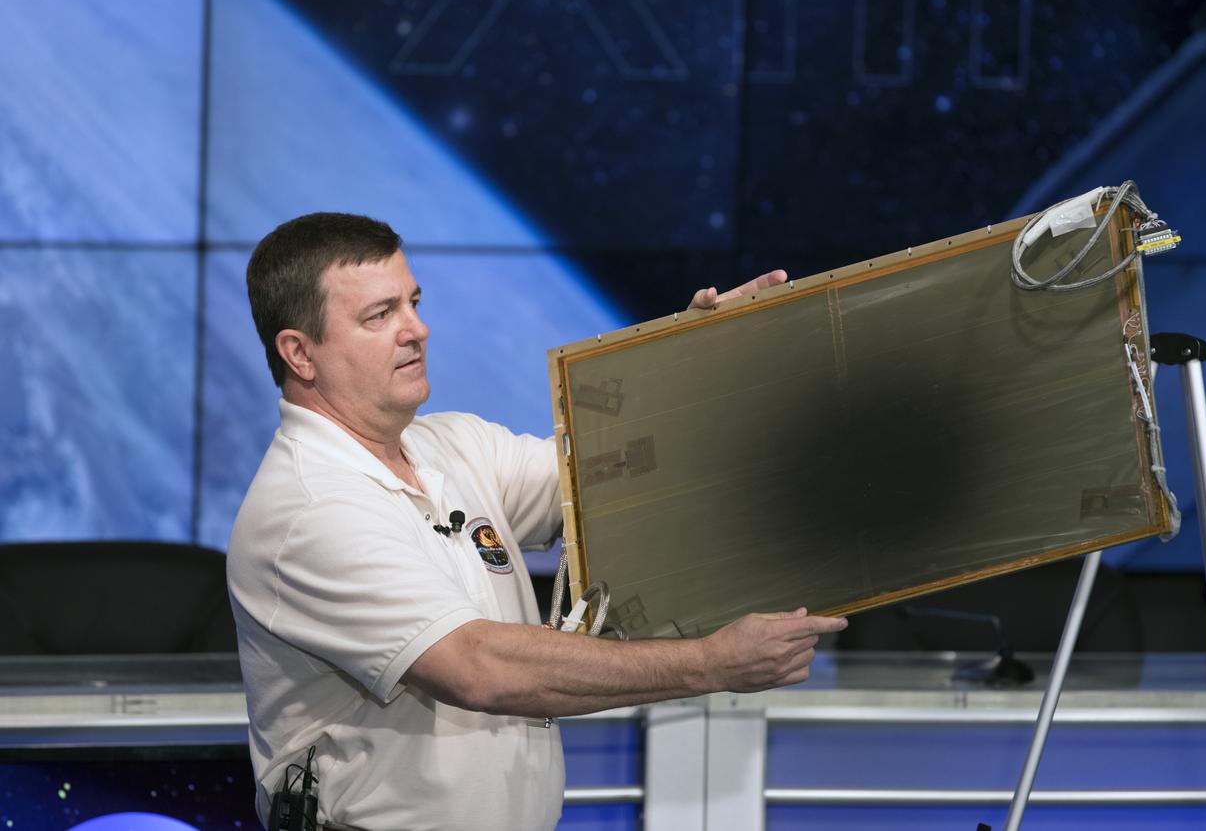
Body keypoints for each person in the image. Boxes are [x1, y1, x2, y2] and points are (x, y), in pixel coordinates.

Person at [226, 212, 846, 831]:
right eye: (379, 315)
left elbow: (620, 475)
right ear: (300, 354)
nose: (417, 329)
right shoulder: (307, 508)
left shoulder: (453, 445)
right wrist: (709, 663)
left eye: (413, 303)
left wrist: (691, 364)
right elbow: (479, 667)